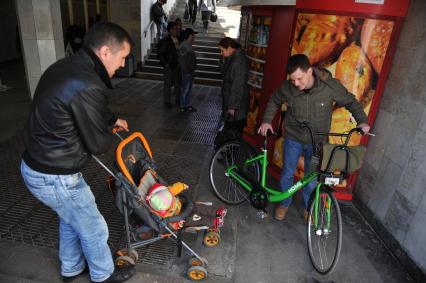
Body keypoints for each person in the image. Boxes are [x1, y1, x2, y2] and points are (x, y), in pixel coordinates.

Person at [20, 22, 135, 283]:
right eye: (122, 57)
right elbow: (97, 144)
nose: (121, 65)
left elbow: (80, 104)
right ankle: (103, 275)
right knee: (94, 227)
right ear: (106, 51)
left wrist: (111, 119)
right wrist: (109, 133)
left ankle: (71, 268)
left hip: (37, 164)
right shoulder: (87, 83)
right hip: (56, 176)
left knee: (71, 219)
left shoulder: (67, 66)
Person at [258, 54, 370, 221]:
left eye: (299, 79)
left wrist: (362, 121)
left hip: (317, 142)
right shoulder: (288, 87)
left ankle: (307, 207)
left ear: (310, 71)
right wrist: (267, 121)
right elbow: (275, 99)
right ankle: (284, 202)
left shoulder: (329, 86)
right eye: (293, 80)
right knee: (287, 173)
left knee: (311, 179)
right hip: (293, 138)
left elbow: (350, 101)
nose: (296, 84)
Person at [218, 37, 249, 138]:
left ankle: (231, 152)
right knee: (230, 131)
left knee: (233, 132)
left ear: (230, 48)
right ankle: (229, 151)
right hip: (231, 101)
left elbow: (238, 85)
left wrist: (232, 106)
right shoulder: (231, 58)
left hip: (236, 107)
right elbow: (222, 71)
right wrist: (223, 59)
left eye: (222, 50)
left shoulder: (238, 61)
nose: (221, 53)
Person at [158, 21, 181, 108]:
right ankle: (167, 101)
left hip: (177, 65)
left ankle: (178, 99)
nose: (177, 30)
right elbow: (161, 53)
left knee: (177, 83)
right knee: (167, 84)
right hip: (169, 66)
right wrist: (165, 64)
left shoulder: (178, 39)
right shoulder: (165, 41)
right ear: (170, 30)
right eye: (175, 29)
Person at [178, 28, 198, 113]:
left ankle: (187, 105)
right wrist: (186, 71)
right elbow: (182, 60)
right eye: (193, 35)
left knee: (188, 89)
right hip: (187, 72)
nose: (194, 37)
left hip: (189, 72)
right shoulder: (184, 45)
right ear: (189, 36)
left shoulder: (188, 45)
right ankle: (183, 106)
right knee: (185, 89)